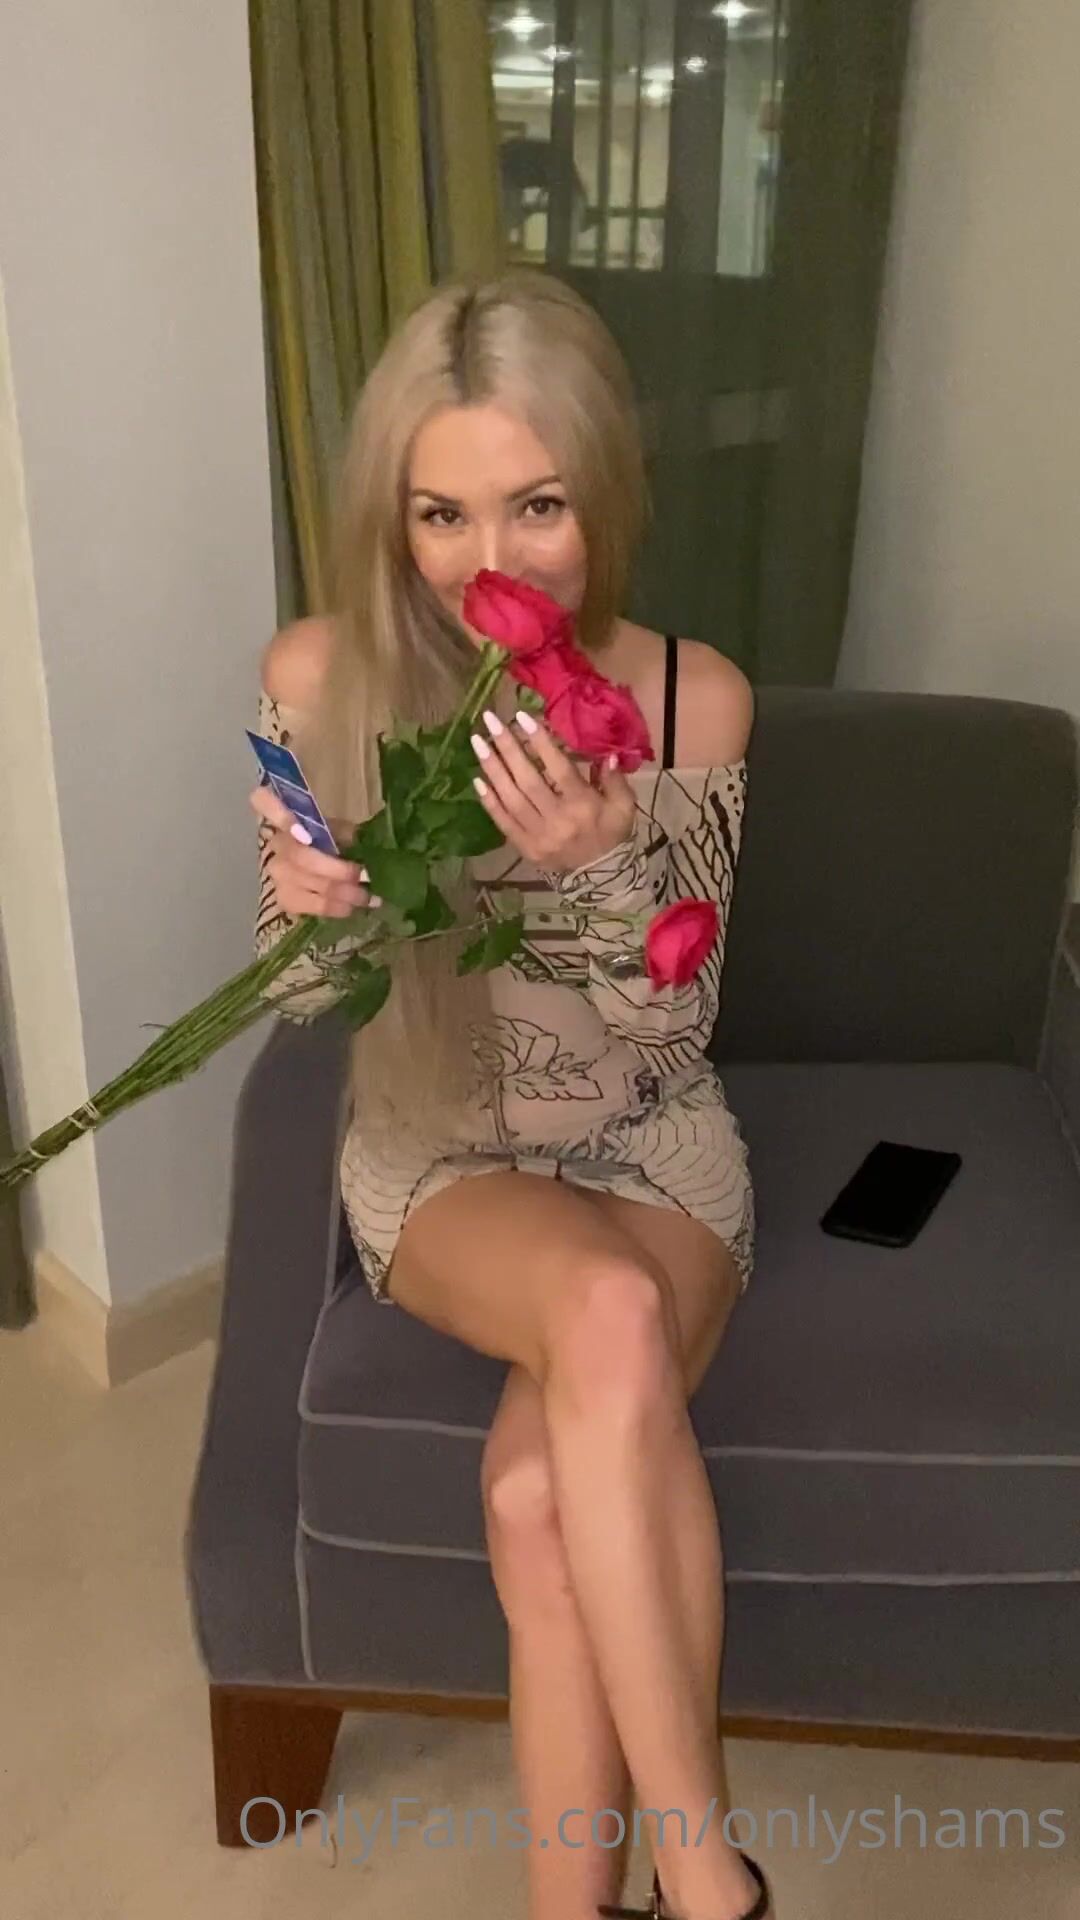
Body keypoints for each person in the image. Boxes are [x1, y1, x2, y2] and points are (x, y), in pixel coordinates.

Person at [249, 270, 770, 1920]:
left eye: (538, 505)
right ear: (391, 517)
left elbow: (667, 1041)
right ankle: (711, 1883)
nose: (494, 564)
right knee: (602, 1316)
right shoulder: (318, 677)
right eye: (443, 515)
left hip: (646, 1146)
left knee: (540, 1497)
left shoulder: (691, 699)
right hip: (444, 1157)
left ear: (603, 484)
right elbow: (305, 1003)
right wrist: (313, 916)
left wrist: (607, 870)